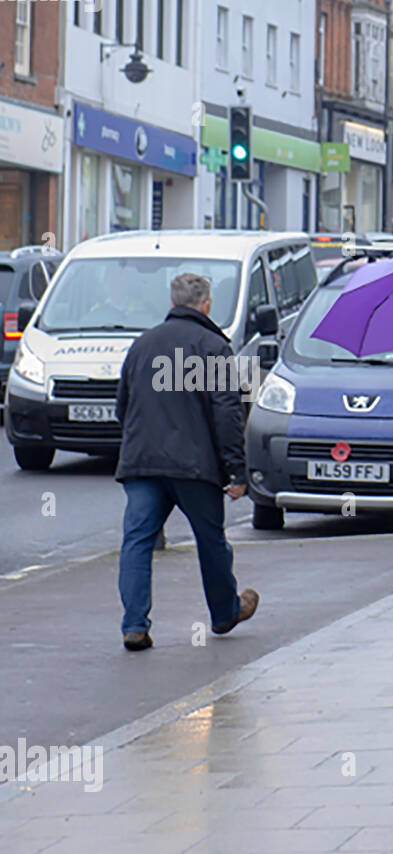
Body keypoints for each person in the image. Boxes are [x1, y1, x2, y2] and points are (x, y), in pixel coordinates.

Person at [115, 273, 259, 651]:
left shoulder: (142, 345)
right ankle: (225, 612)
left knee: (137, 542)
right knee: (211, 540)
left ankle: (134, 625)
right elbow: (228, 414)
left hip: (143, 463)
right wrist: (236, 472)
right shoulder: (213, 347)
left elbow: (122, 407)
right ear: (206, 305)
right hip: (195, 467)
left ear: (171, 303)